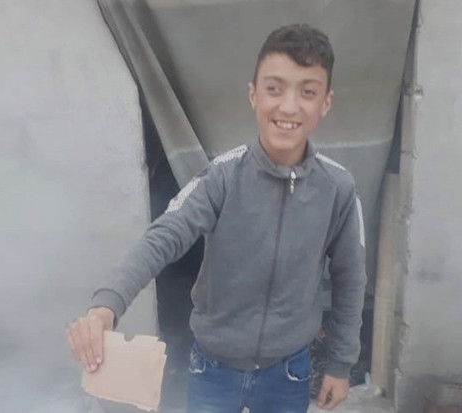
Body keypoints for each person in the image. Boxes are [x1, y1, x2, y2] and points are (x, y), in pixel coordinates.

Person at [67, 23, 366, 412]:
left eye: (307, 92)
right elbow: (164, 236)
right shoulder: (222, 176)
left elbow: (350, 279)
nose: (289, 107)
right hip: (213, 370)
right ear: (253, 95)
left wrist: (341, 364)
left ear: (325, 103)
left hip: (288, 372)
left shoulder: (337, 188)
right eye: (274, 89)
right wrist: (107, 303)